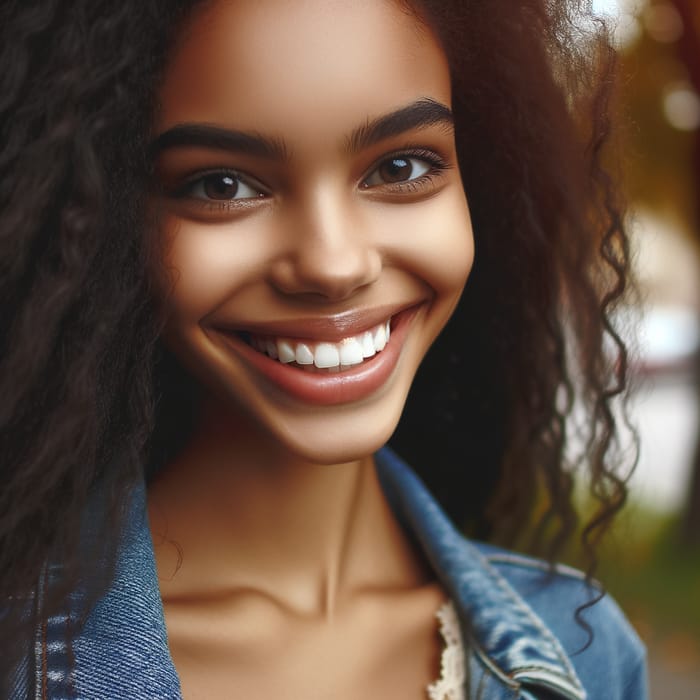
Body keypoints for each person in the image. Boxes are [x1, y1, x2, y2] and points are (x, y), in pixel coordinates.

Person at [0, 0, 648, 698]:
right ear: (103, 223)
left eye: (401, 167)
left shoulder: (588, 658)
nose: (333, 264)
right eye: (223, 185)